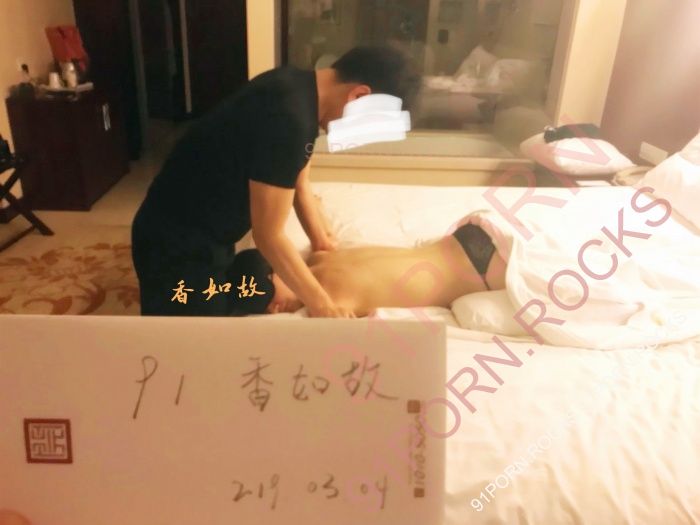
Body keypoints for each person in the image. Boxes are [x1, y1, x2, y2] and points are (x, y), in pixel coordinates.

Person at [131, 46, 419, 318]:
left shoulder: (297, 86)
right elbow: (268, 236)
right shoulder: (290, 120)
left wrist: (321, 241)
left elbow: (299, 182)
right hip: (175, 246)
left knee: (243, 288)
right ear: (359, 96)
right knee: (189, 339)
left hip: (198, 231)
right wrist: (324, 306)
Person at [229, 222, 508, 317]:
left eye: (267, 296)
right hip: (470, 236)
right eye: (263, 308)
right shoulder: (321, 255)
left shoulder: (328, 303)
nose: (273, 310)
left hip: (480, 270)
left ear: (277, 267)